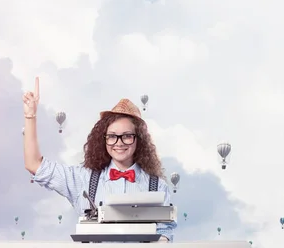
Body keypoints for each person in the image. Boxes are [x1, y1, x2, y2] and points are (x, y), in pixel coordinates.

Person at [23, 77, 176, 243]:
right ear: (103, 139)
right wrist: (30, 116)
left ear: (138, 139)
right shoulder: (83, 179)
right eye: (112, 136)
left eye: (127, 136)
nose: (119, 143)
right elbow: (34, 164)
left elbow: (164, 235)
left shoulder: (157, 186)